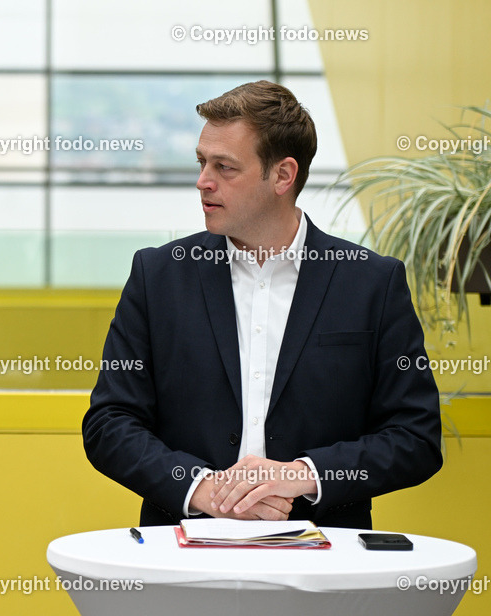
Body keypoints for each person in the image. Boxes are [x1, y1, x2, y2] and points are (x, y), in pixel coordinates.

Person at [82, 81, 442, 528]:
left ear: (283, 175)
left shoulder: (372, 283)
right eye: (201, 162)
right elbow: (109, 424)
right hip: (182, 554)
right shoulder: (157, 276)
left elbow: (415, 438)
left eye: (225, 167)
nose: (202, 181)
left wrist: (300, 476)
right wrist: (203, 489)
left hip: (325, 561)